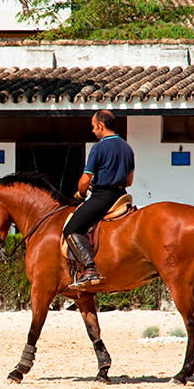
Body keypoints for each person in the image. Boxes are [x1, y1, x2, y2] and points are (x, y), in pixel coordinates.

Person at [63, 110, 135, 289]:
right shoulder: (127, 147)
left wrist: (80, 193)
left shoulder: (99, 148)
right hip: (121, 196)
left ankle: (89, 269)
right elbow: (129, 181)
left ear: (101, 126)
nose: (93, 131)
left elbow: (85, 180)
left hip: (103, 196)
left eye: (94, 127)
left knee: (71, 228)